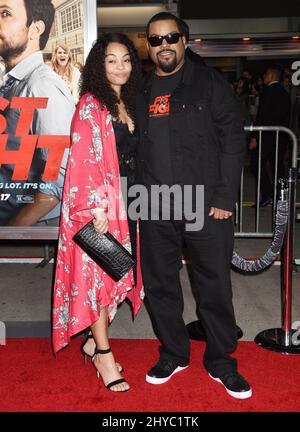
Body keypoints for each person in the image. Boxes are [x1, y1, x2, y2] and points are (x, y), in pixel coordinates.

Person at [136, 12, 251, 399]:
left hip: (204, 203)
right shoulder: (141, 87)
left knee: (214, 286)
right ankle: (174, 353)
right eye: (155, 40)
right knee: (160, 285)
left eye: (170, 37)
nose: (163, 45)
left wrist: (223, 197)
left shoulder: (209, 83)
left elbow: (234, 138)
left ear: (185, 40)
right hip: (153, 202)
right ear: (148, 45)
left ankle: (221, 361)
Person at [52, 33, 144, 393]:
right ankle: (103, 355)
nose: (120, 66)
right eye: (111, 60)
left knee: (121, 273)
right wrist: (96, 207)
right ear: (98, 66)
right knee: (98, 282)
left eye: (126, 60)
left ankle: (92, 342)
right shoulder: (91, 105)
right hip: (101, 207)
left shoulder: (129, 101)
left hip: (132, 202)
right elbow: (82, 158)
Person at [0, 0, 74, 226]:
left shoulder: (42, 86)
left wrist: (11, 235)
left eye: (5, 13)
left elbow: (57, 180)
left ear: (35, 29)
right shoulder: (14, 81)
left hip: (31, 234)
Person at [249, 64, 291, 207]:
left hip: (266, 136)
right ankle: (282, 197)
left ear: (271, 75)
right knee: (278, 167)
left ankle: (267, 194)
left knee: (256, 164)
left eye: (266, 75)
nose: (264, 77)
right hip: (281, 136)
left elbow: (262, 115)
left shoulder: (268, 92)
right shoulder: (285, 93)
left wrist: (255, 136)